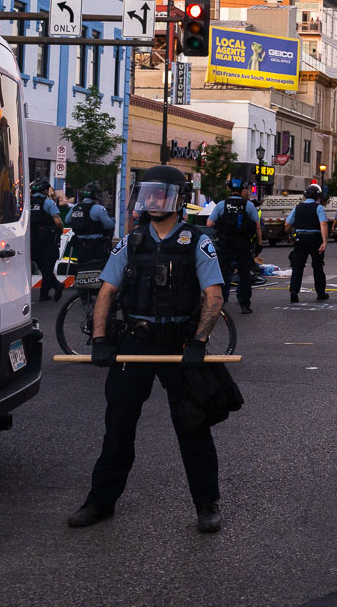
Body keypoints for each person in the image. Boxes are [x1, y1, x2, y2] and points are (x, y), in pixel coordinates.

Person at [67, 165, 227, 533]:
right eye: (149, 193)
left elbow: (214, 296)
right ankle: (100, 502)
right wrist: (102, 339)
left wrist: (199, 342)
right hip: (136, 341)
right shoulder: (131, 241)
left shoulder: (197, 242)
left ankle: (207, 504)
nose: (154, 200)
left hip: (178, 343)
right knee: (118, 426)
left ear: (177, 199)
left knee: (193, 425)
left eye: (161, 194)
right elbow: (106, 292)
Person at [207, 178, 261, 314]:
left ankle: (222, 301)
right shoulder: (248, 205)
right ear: (242, 189)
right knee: (244, 274)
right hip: (243, 243)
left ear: (229, 189)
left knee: (224, 273)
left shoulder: (221, 205)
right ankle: (244, 304)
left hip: (226, 243)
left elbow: (209, 223)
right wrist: (259, 243)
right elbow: (257, 226)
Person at [285, 183, 328, 302]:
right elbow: (323, 224)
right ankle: (320, 293)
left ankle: (294, 291)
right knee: (318, 266)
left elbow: (287, 224)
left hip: (300, 239)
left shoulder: (297, 208)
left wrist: (290, 235)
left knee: (297, 266)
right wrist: (324, 241)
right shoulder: (318, 208)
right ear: (317, 196)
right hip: (315, 239)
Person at [65, 181, 115, 272]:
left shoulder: (75, 207)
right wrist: (112, 219)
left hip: (80, 244)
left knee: (82, 266)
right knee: (95, 268)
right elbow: (109, 225)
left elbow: (67, 220)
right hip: (95, 245)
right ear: (96, 195)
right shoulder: (98, 208)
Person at [29, 177, 64, 301]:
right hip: (47, 240)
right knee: (47, 266)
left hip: (32, 241)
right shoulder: (48, 202)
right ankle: (55, 287)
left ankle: (46, 293)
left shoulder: (27, 202)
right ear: (45, 190)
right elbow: (58, 221)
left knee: (43, 266)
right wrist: (59, 230)